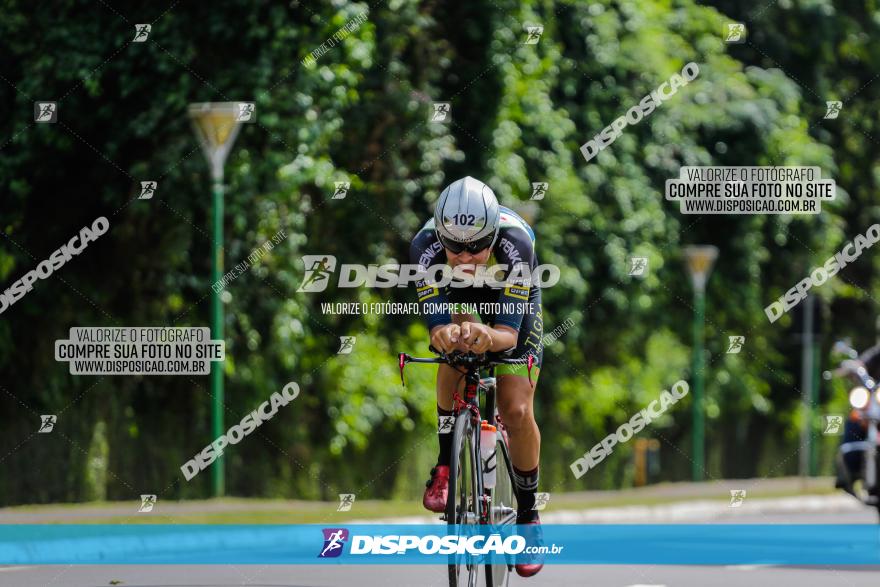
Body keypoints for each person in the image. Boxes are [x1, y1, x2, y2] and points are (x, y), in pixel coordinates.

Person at [409, 176, 545, 577]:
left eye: (477, 246)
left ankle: (528, 514)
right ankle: (445, 466)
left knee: (515, 409)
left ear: (492, 233)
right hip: (458, 299)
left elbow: (507, 334)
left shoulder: (516, 243)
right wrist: (450, 333)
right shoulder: (423, 249)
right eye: (454, 247)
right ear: (440, 236)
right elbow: (436, 329)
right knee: (453, 349)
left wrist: (488, 335)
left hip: (512, 302)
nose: (466, 257)